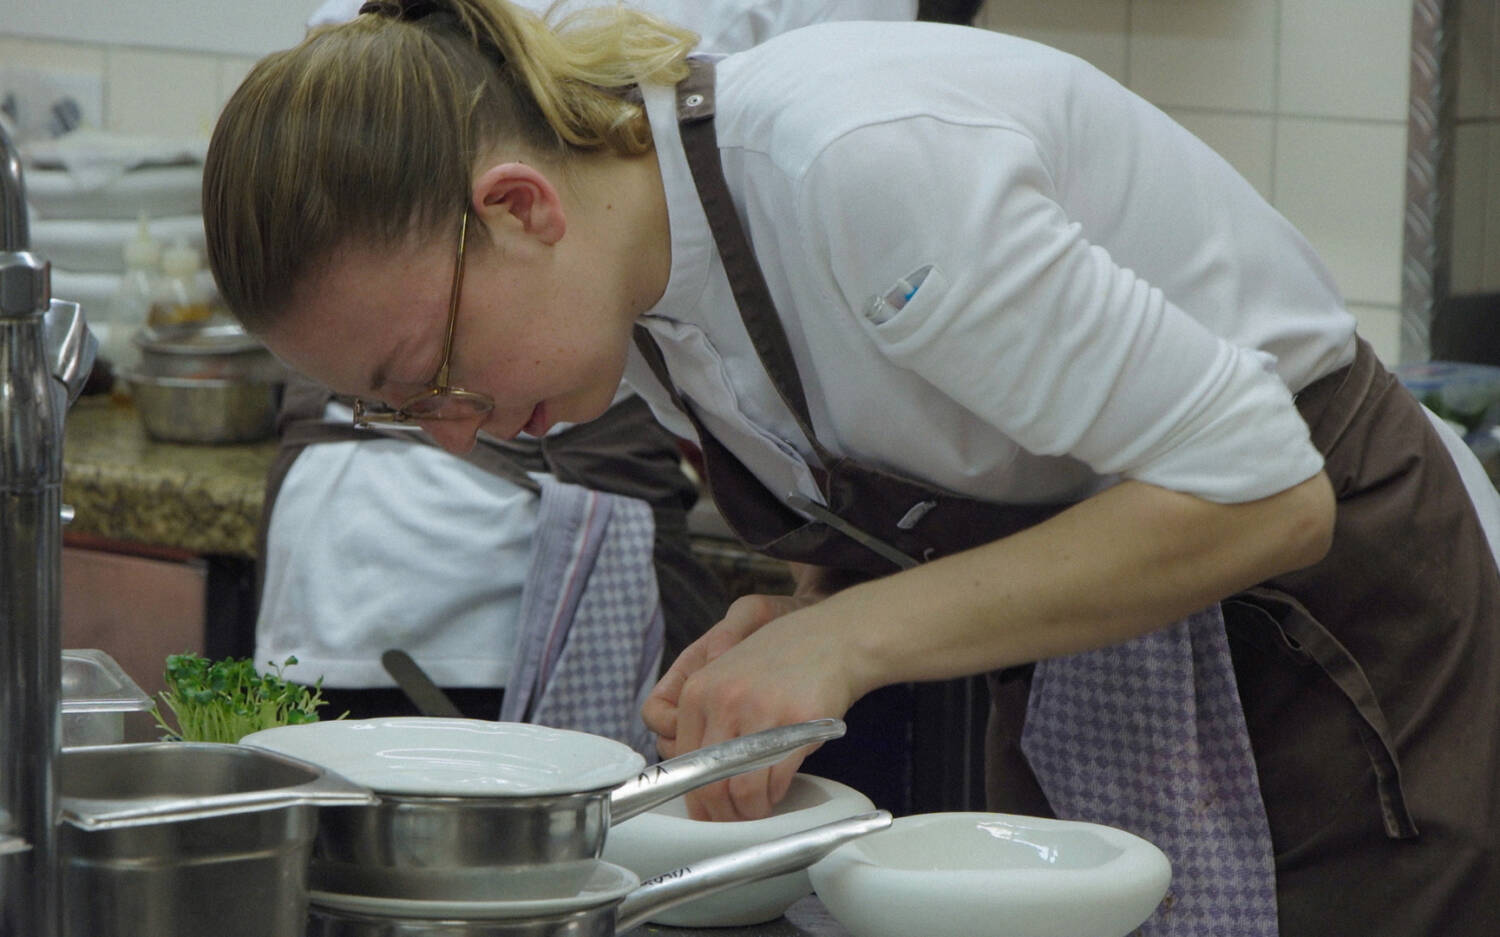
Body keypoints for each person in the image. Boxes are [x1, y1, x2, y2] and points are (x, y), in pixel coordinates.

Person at [201, 2, 1500, 934]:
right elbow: (953, 458)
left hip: (1330, 642)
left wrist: (858, 638)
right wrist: (806, 620)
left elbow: (1268, 492)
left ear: (520, 209)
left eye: (432, 367)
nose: (453, 428)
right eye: (396, 409)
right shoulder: (638, 298)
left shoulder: (855, 168)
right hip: (1119, 648)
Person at [260, 0, 917, 738]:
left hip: (328, 548)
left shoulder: (835, 155)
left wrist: (829, 622)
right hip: (383, 555)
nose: (454, 436)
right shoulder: (604, 301)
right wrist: (820, 606)